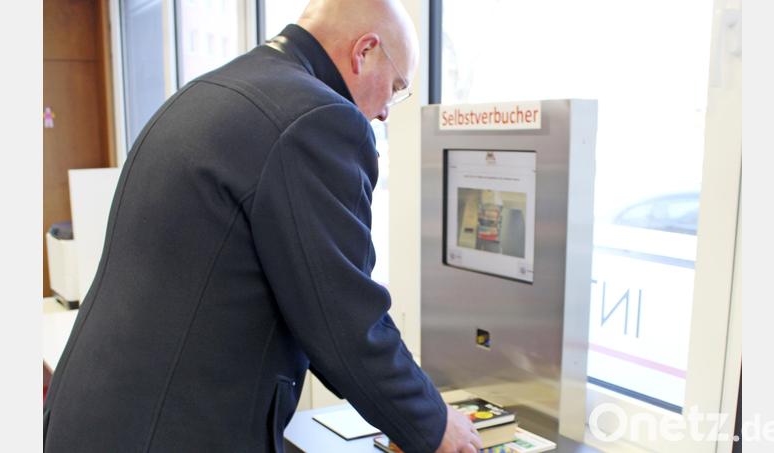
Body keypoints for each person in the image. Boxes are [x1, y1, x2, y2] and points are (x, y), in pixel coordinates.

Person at [43, 0, 483, 451]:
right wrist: (433, 425)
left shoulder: (212, 90)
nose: (388, 110)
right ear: (364, 51)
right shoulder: (318, 119)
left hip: (96, 419)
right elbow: (344, 318)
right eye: (395, 85)